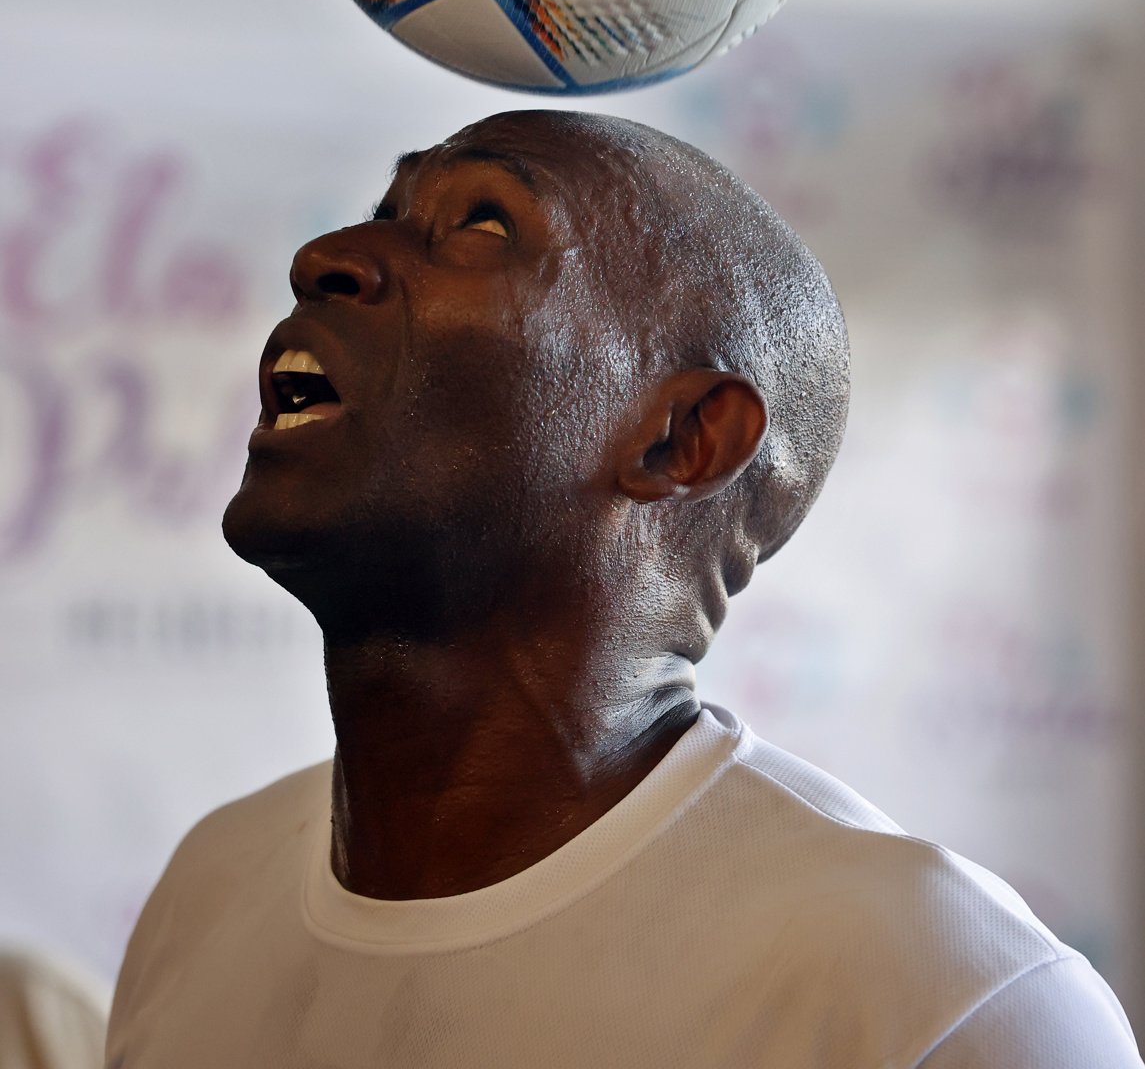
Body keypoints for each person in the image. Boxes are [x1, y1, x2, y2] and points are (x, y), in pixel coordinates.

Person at [106, 110, 1142, 1067]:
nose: (322, 258)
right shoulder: (208, 890)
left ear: (678, 437)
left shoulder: (938, 997)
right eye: (383, 213)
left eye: (476, 222)